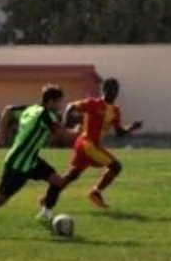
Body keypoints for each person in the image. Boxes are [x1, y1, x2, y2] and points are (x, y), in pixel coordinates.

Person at [0, 85, 77, 235]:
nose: (60, 105)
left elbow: (8, 110)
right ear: (50, 101)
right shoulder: (46, 115)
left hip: (30, 160)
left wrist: (1, 134)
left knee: (57, 181)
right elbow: (62, 136)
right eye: (59, 102)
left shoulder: (30, 109)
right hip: (19, 165)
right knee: (0, 198)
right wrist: (80, 131)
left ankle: (45, 215)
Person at [60, 78, 143, 209]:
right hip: (86, 143)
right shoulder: (93, 103)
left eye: (116, 90)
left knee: (73, 175)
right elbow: (71, 106)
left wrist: (133, 127)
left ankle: (47, 199)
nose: (113, 93)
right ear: (104, 90)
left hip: (92, 146)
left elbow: (119, 132)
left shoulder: (115, 110)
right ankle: (95, 192)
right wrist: (67, 120)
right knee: (116, 166)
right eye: (110, 89)